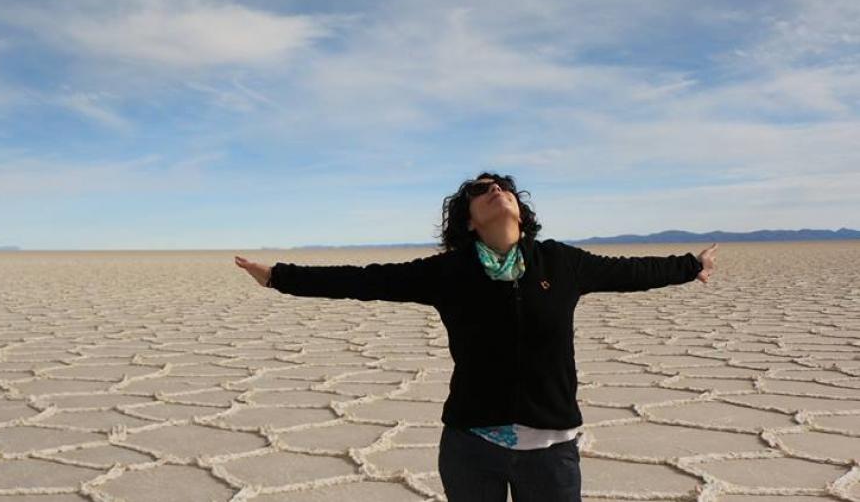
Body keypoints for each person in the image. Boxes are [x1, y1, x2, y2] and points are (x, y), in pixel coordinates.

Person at [235, 172, 717, 501]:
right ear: (468, 220)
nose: (497, 190)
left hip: (551, 452)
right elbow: (367, 279)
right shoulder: (451, 272)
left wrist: (690, 266)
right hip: (472, 446)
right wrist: (280, 276)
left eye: (505, 187)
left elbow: (631, 270)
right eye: (483, 190)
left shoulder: (560, 262)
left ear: (521, 212)